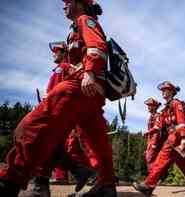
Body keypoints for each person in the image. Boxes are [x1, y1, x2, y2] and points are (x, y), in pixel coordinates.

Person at [0, 1, 117, 196]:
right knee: (96, 142)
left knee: (33, 126)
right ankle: (106, 186)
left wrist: (89, 72)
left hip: (82, 84)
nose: (64, 5)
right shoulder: (76, 27)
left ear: (80, 4)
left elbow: (97, 47)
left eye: (68, 1)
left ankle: (11, 180)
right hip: (93, 92)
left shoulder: (84, 20)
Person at [133, 81, 185, 197]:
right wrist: (150, 133)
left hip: (177, 136)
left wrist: (184, 138)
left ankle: (148, 186)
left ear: (172, 92)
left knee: (162, 158)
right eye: (162, 90)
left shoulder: (176, 103)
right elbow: (159, 127)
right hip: (171, 136)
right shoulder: (165, 110)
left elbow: (181, 121)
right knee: (183, 163)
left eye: (166, 90)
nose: (163, 92)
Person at [143, 98, 164, 172]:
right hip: (150, 141)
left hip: (155, 141)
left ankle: (153, 180)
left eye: (150, 105)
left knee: (150, 158)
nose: (148, 107)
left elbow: (157, 128)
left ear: (155, 107)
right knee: (149, 158)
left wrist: (154, 143)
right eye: (148, 105)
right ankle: (153, 179)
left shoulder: (157, 116)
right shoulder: (151, 116)